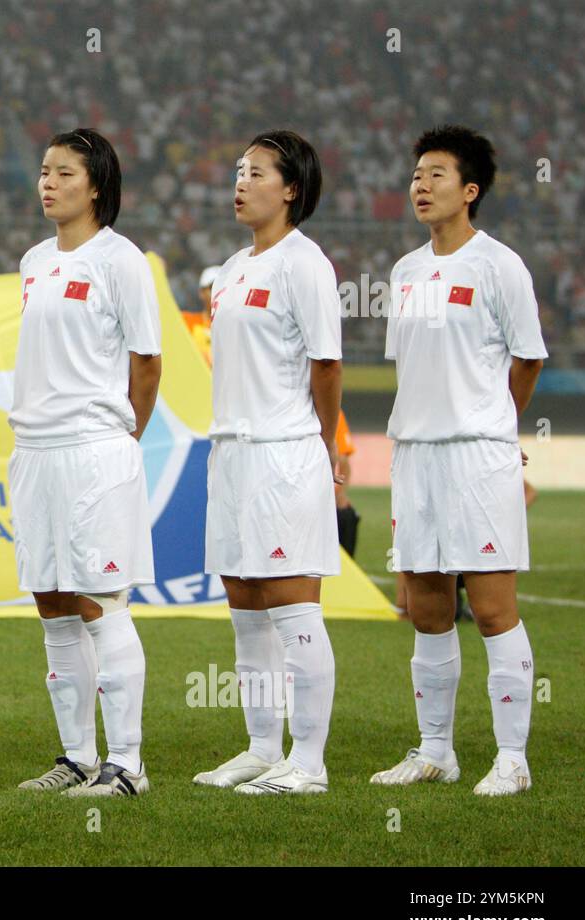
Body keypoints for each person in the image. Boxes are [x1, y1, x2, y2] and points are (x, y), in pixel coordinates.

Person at [372, 125, 546, 796]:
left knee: (496, 609)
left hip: (477, 458)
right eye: (417, 174)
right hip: (415, 455)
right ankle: (437, 752)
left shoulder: (500, 266)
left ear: (469, 190)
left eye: (436, 174)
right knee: (429, 610)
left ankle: (513, 760)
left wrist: (495, 421)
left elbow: (526, 357)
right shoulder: (406, 271)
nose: (421, 184)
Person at [8, 128, 162, 798]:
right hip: (35, 452)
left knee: (102, 600)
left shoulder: (121, 259)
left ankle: (127, 763)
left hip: (95, 450)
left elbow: (147, 361)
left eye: (63, 172)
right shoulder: (34, 260)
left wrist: (125, 434)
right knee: (53, 604)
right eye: (43, 171)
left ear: (96, 184)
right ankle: (76, 756)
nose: (47, 182)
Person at [195, 129, 343, 796]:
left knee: (292, 607)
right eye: (238, 168)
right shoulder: (231, 269)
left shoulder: (304, 264)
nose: (240, 181)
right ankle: (262, 747)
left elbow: (327, 363)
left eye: (256, 172)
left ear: (290, 189)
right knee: (246, 608)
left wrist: (317, 437)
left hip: (284, 453)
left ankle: (308, 762)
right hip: (231, 455)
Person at [335, 409, 359, 556]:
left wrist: (338, 494)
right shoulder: (332, 411)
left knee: (345, 514)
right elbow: (343, 461)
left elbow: (343, 462)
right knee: (346, 516)